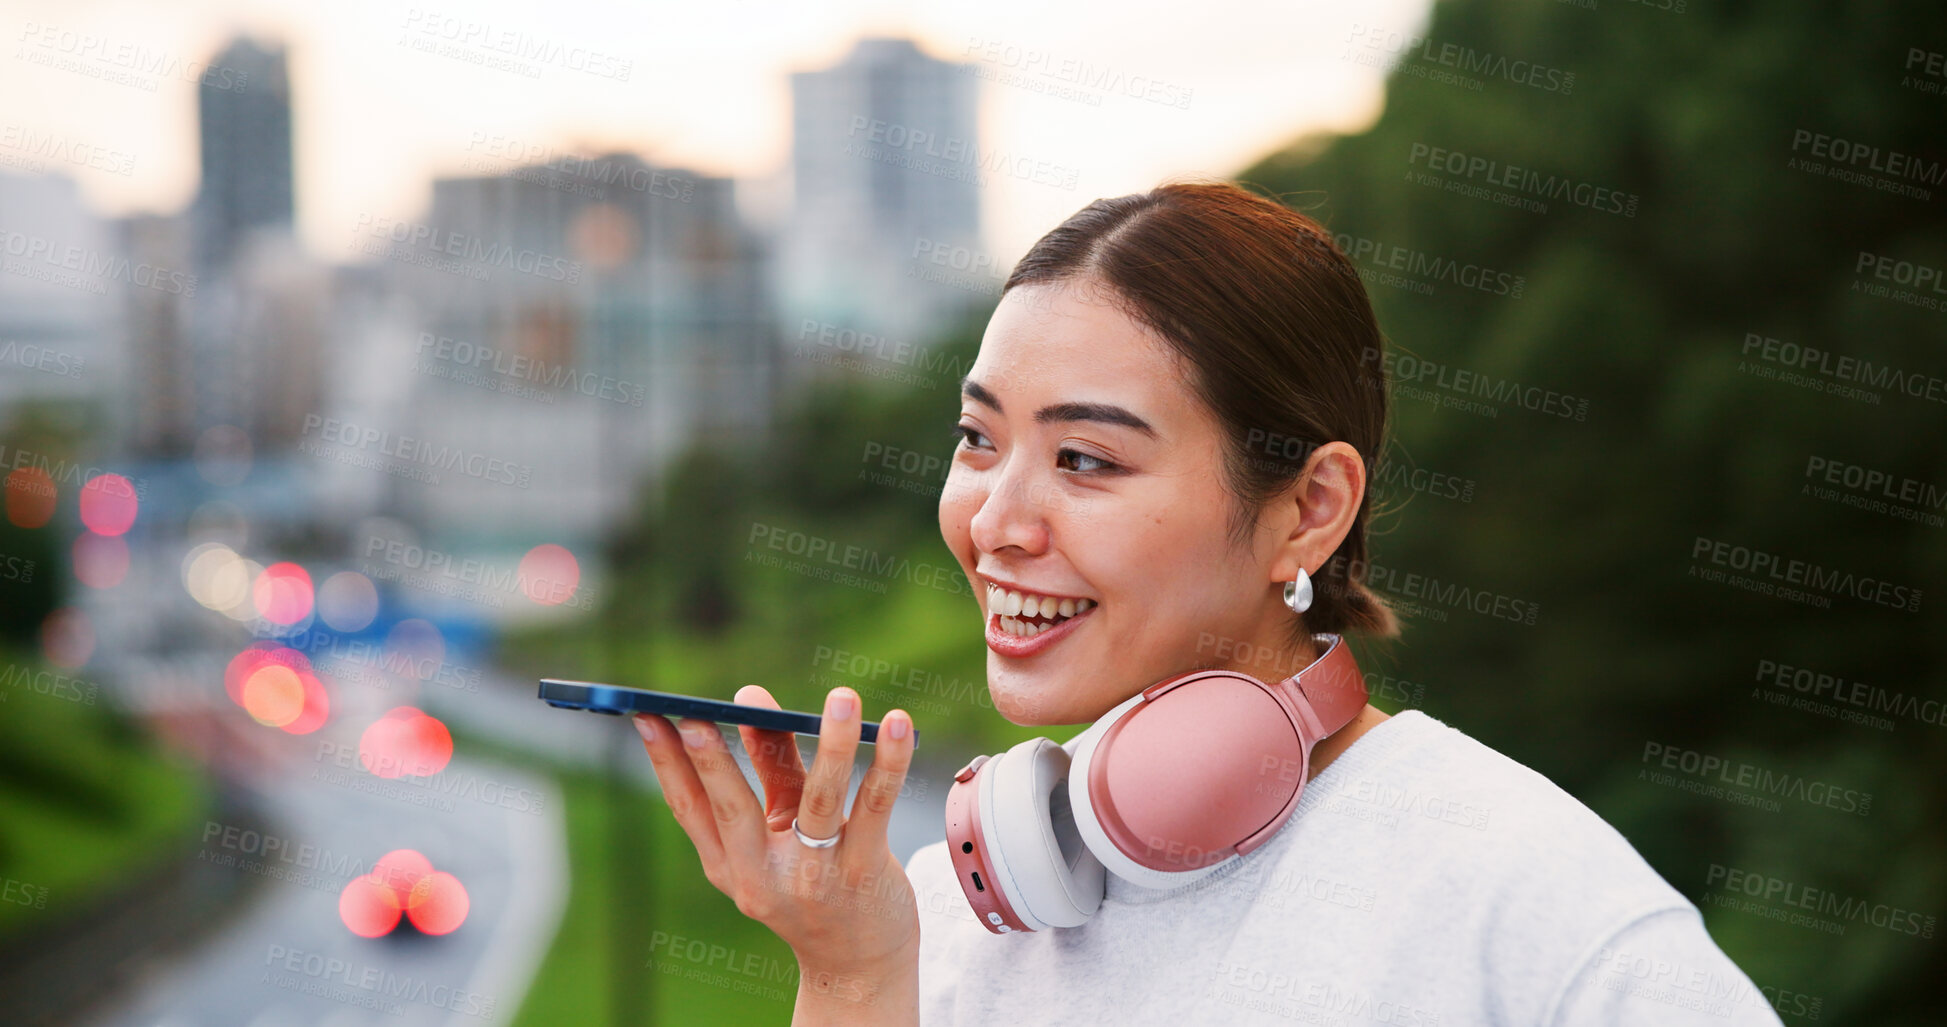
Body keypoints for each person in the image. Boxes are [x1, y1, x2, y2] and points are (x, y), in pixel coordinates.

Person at [631, 180, 1785, 1025]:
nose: (995, 520)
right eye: (979, 440)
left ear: (1309, 508)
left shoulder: (1529, 901)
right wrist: (849, 974)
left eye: (1086, 458)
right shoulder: (942, 915)